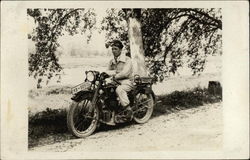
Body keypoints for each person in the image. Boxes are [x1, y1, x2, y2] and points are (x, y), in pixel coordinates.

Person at [107, 40, 134, 117]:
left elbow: (125, 73)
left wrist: (113, 76)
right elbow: (108, 71)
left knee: (119, 90)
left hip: (127, 81)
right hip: (116, 81)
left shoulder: (127, 60)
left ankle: (128, 110)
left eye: (115, 49)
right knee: (104, 89)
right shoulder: (111, 61)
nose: (113, 51)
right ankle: (110, 110)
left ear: (120, 50)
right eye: (112, 49)